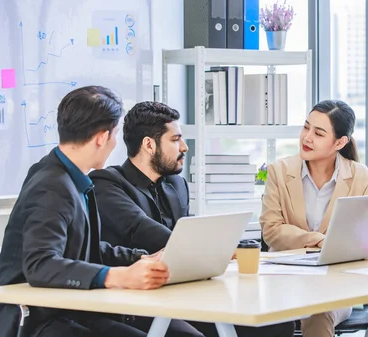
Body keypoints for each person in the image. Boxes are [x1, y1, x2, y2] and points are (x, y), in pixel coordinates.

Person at [90, 101, 295, 337]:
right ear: (149, 144)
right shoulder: (106, 183)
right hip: (136, 301)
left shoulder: (176, 184)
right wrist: (215, 249)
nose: (184, 147)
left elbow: (189, 235)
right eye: (175, 140)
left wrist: (220, 248)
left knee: (275, 325)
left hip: (184, 293)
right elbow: (142, 230)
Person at [0, 86, 171, 337]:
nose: (115, 144)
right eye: (114, 136)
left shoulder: (70, 177)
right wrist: (117, 276)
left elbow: (84, 249)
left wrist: (140, 259)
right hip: (35, 321)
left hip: (67, 310)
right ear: (102, 138)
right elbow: (41, 264)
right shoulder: (52, 186)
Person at [260, 99, 368, 337]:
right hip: (285, 278)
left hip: (338, 282)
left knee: (319, 312)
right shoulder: (279, 171)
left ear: (340, 142)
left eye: (318, 133)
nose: (307, 137)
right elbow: (271, 230)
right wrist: (321, 240)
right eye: (306, 127)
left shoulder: (358, 175)